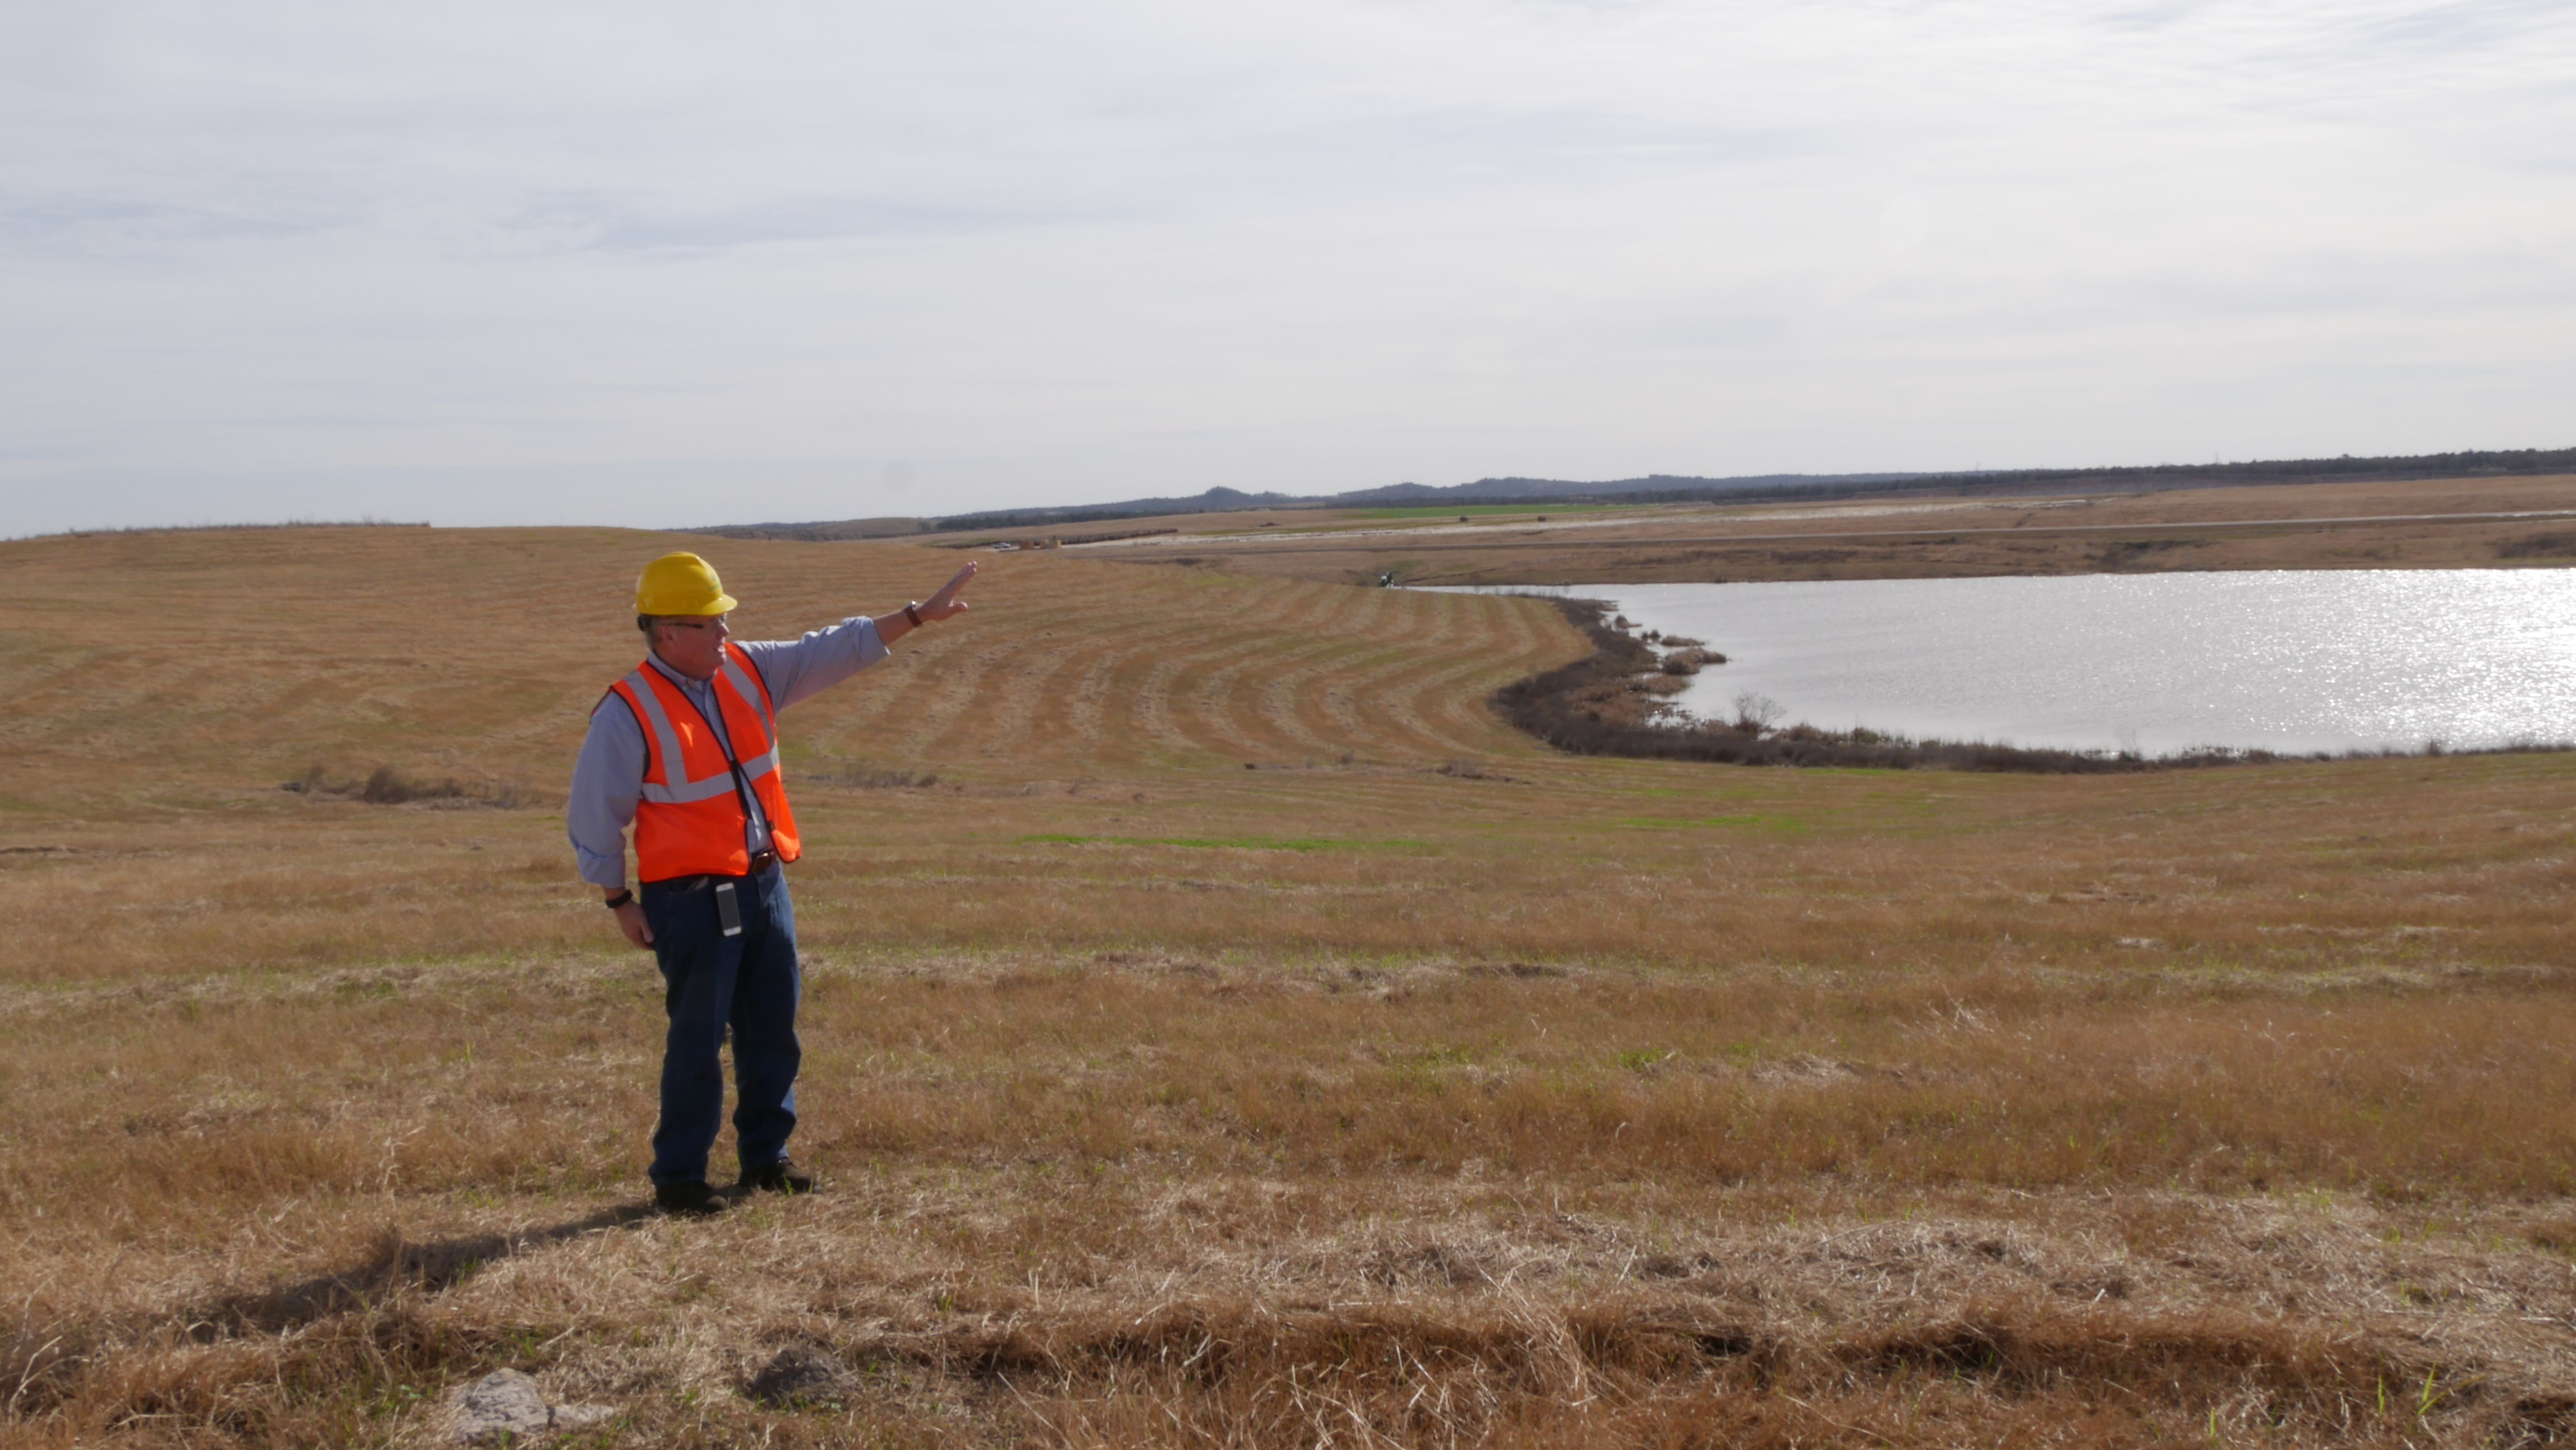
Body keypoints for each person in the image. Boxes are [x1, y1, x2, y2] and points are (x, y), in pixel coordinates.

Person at [569, 550, 977, 1216]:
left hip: (763, 886)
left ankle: (766, 1158)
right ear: (666, 631)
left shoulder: (749, 669)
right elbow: (594, 812)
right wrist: (617, 899)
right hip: (688, 903)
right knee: (697, 1042)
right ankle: (678, 1179)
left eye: (724, 620)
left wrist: (913, 617)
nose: (724, 634)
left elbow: (830, 650)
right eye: (709, 624)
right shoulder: (626, 711)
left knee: (772, 1031)